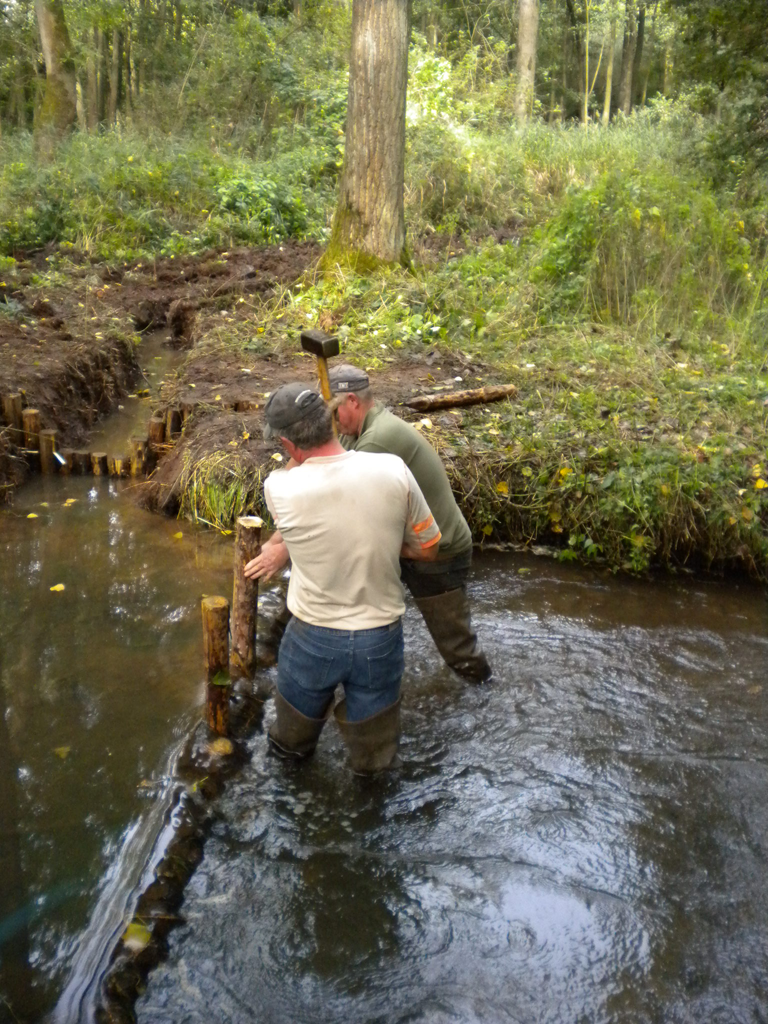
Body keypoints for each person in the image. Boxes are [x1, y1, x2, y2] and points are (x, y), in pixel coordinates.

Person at [244, 382, 441, 774]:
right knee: (374, 765)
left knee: (290, 751)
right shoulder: (393, 469)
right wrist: (384, 544)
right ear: (331, 420)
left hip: (312, 638)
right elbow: (429, 547)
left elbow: (304, 485)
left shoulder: (279, 488)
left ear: (287, 443)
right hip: (379, 640)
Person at [329, 363, 492, 683]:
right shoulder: (357, 431)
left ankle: (486, 693)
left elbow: (342, 503)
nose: (332, 422)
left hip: (439, 553)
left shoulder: (376, 440)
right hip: (409, 546)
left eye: (334, 412)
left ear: (352, 401)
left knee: (458, 650)